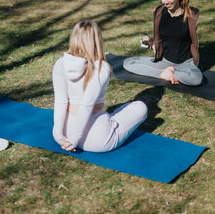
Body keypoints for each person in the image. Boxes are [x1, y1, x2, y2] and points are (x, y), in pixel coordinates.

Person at [52, 20, 147, 153]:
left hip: (65, 135)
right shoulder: (101, 68)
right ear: (97, 40)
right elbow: (86, 105)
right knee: (140, 107)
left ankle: (107, 120)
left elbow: (61, 101)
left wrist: (58, 134)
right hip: (97, 141)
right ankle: (109, 121)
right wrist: (75, 139)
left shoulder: (60, 63)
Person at [123, 0, 203, 86]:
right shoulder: (160, 12)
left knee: (195, 79)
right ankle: (163, 74)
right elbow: (159, 36)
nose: (165, 2)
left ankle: (173, 72)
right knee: (128, 63)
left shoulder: (191, 15)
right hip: (164, 61)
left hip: (185, 63)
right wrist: (150, 41)